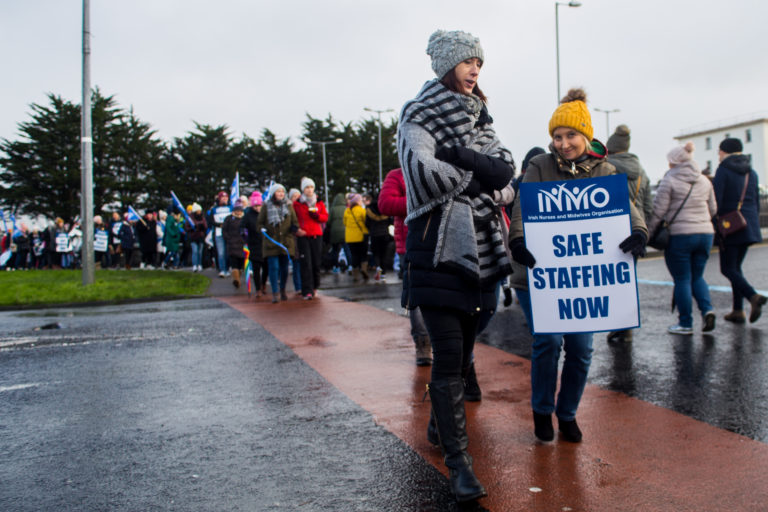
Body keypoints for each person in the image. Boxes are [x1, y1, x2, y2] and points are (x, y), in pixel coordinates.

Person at [398, 30, 516, 503]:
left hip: (486, 253)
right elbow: (421, 172)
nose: (475, 71)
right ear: (448, 65)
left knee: (468, 345)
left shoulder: (481, 117)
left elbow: (506, 171)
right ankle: (459, 464)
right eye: (468, 62)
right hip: (436, 251)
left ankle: (438, 416)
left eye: (479, 64)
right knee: (449, 354)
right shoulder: (417, 113)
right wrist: (480, 177)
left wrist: (464, 159)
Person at [509, 88, 648, 444]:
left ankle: (567, 412)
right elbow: (523, 207)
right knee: (548, 342)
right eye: (557, 136)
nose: (563, 143)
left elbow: (628, 212)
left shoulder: (605, 169)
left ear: (586, 135)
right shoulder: (539, 166)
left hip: (583, 281)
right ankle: (542, 410)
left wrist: (640, 233)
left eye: (570, 135)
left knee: (582, 350)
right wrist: (518, 240)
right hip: (536, 275)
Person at [646, 142, 717, 335]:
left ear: (675, 162)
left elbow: (658, 212)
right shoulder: (704, 180)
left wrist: (648, 235)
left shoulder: (670, 179)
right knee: (698, 276)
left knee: (682, 279)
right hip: (706, 234)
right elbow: (713, 209)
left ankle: (685, 323)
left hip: (680, 236)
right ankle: (707, 309)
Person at [605, 124, 653, 342]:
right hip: (636, 228)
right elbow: (650, 206)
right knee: (627, 278)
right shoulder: (641, 170)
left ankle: (619, 324)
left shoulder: (607, 167)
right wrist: (644, 228)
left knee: (610, 278)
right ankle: (627, 325)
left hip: (612, 229)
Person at [379, 167, 432, 366]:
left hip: (442, 241)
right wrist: (421, 200)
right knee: (416, 296)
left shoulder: (437, 168)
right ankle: (423, 342)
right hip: (410, 244)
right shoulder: (396, 175)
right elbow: (385, 204)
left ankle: (444, 342)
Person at [713, 137, 766, 323]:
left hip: (730, 225)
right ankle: (737, 310)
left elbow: (716, 201)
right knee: (735, 268)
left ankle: (753, 296)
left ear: (725, 151)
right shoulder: (752, 171)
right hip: (749, 225)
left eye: (719, 151)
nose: (718, 155)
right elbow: (757, 202)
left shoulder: (723, 170)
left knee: (727, 268)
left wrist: (714, 223)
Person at [256, 183, 299, 303]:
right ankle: (275, 292)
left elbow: (294, 221)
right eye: (278, 191)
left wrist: (294, 229)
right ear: (273, 193)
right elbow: (259, 223)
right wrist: (262, 229)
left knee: (284, 269)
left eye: (282, 192)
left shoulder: (289, 206)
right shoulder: (266, 206)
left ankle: (282, 289)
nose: (280, 194)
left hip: (286, 242)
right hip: (271, 242)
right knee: (273, 267)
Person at [293, 177, 329, 299]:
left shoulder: (319, 202)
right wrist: (297, 230)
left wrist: (317, 215)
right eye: (307, 187)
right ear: (303, 189)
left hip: (317, 235)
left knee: (316, 262)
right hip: (303, 236)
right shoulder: (297, 204)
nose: (309, 190)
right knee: (306, 263)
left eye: (311, 187)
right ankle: (306, 290)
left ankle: (315, 286)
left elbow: (325, 217)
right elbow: (293, 219)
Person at [242, 190, 267, 297]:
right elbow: (242, 227)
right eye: (255, 206)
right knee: (256, 268)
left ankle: (263, 283)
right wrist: (244, 233)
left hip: (265, 244)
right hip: (253, 244)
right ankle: (258, 289)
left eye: (259, 205)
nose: (257, 208)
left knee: (266, 267)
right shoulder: (248, 215)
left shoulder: (265, 214)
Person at [364, 192, 391, 281]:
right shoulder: (385, 207)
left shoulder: (369, 209)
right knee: (384, 253)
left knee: (376, 253)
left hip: (374, 234)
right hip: (384, 233)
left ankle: (378, 267)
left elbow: (366, 223)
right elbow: (390, 221)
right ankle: (383, 273)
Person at [343, 193, 369, 283]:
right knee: (363, 254)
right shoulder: (362, 210)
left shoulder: (347, 211)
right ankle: (364, 270)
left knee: (354, 255)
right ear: (358, 201)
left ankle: (356, 275)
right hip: (361, 236)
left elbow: (344, 223)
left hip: (350, 237)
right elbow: (366, 222)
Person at [222, 198, 247, 288]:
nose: (238, 212)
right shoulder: (229, 219)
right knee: (234, 264)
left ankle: (238, 278)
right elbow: (224, 230)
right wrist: (228, 239)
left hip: (242, 245)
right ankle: (236, 280)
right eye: (237, 210)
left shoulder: (245, 218)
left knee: (241, 264)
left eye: (240, 210)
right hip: (232, 244)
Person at [208, 191, 232, 277]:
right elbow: (210, 221)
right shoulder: (214, 209)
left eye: (226, 197)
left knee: (228, 252)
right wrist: (219, 225)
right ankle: (222, 269)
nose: (225, 199)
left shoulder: (231, 207)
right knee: (221, 252)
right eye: (223, 197)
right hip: (219, 233)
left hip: (229, 233)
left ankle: (228, 267)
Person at [326, 193, 349, 272]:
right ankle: (350, 266)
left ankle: (336, 267)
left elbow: (328, 222)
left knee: (335, 251)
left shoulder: (333, 209)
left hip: (335, 232)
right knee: (347, 250)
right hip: (344, 232)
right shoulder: (345, 208)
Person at [187, 203, 207, 272]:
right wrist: (192, 228)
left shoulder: (202, 218)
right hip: (193, 237)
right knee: (195, 251)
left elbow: (205, 226)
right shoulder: (190, 219)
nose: (199, 212)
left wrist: (202, 227)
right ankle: (194, 265)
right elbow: (187, 227)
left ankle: (199, 264)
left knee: (200, 252)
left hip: (201, 237)